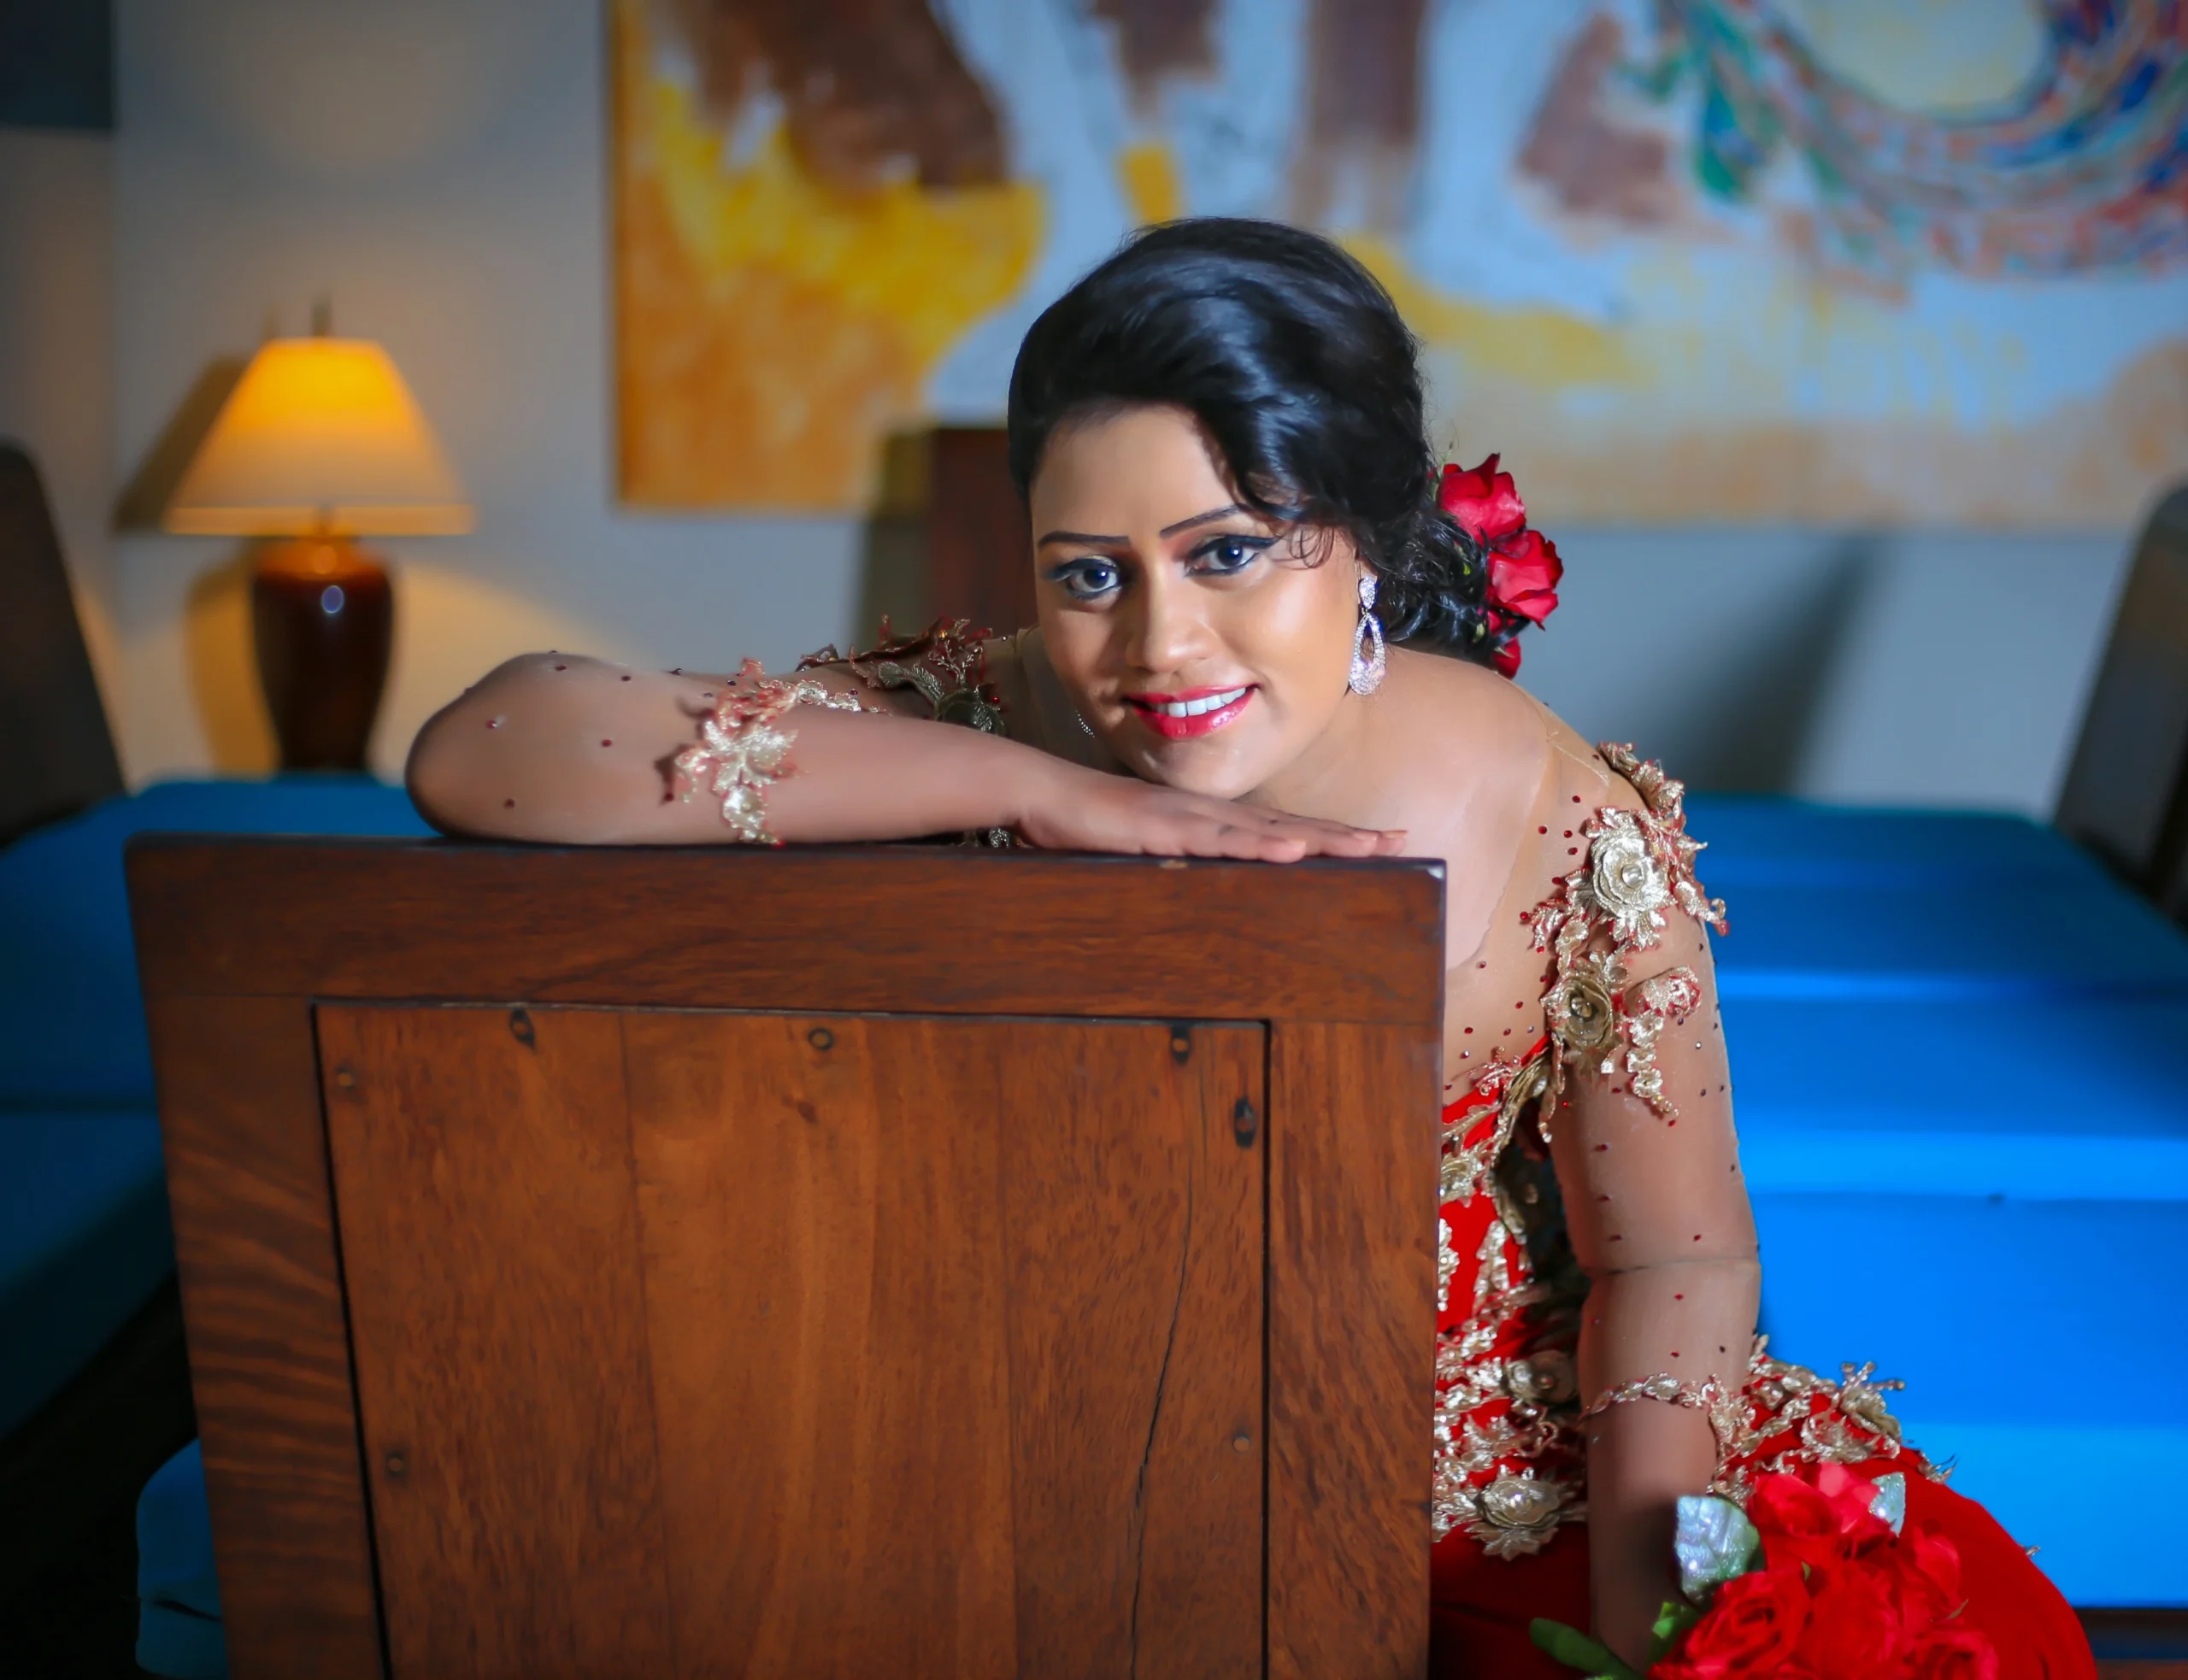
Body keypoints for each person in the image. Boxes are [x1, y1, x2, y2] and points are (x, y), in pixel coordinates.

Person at [408, 219, 2094, 1678]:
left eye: (1225, 552)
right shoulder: (992, 707)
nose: (1153, 644)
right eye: (1088, 574)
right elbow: (484, 747)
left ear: (1359, 532)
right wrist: (1037, 792)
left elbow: (1674, 1257)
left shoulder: (1555, 810)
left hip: (1485, 1498)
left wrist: (1655, 1602)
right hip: (1033, 1465)